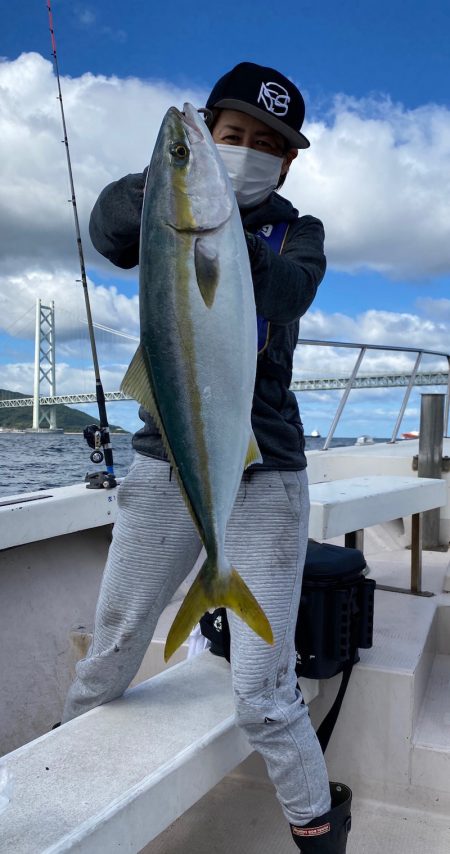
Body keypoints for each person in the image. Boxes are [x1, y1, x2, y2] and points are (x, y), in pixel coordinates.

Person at [62, 61, 352, 852]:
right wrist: (169, 180)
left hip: (270, 475)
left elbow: (289, 292)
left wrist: (212, 217)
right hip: (167, 461)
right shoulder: (162, 205)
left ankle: (317, 826)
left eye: (266, 144)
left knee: (264, 691)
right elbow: (109, 230)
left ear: (288, 162)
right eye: (229, 138)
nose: (245, 152)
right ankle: (61, 809)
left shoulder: (301, 235)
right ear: (211, 136)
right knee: (112, 648)